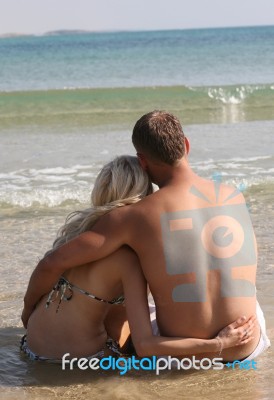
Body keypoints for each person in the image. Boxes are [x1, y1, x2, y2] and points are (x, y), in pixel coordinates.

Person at [22, 112, 269, 362]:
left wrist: (27, 311)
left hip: (183, 357)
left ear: (142, 160)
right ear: (186, 144)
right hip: (246, 345)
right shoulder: (233, 196)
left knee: (134, 304)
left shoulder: (133, 216)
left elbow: (52, 263)